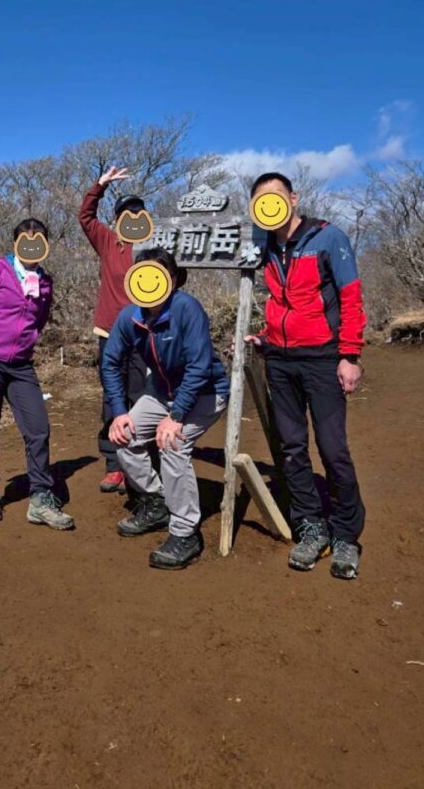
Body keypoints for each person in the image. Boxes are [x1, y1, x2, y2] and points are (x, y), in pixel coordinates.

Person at [246, 172, 366, 579]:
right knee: (292, 448)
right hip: (280, 361)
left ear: (293, 198)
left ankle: (347, 534)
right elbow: (281, 303)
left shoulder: (329, 238)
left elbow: (351, 298)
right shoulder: (261, 244)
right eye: (261, 199)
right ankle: (310, 526)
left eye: (276, 196)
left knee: (333, 449)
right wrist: (264, 337)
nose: (270, 205)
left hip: (323, 358)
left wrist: (349, 355)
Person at [103, 248, 230, 569]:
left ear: (172, 280)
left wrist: (176, 417)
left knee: (173, 445)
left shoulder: (187, 309)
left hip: (204, 393)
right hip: (160, 392)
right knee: (124, 437)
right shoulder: (129, 315)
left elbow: (200, 367)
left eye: (157, 275)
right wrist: (119, 412)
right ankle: (157, 501)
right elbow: (110, 361)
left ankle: (186, 531)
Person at [0, 219, 75, 531]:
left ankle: (39, 498)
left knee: (38, 428)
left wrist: (26, 343)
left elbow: (41, 319)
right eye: (26, 239)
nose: (32, 246)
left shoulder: (45, 281)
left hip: (21, 365)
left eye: (39, 240)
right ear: (16, 242)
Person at [79, 166, 149, 494]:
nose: (133, 216)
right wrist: (100, 185)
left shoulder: (151, 246)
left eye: (139, 211)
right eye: (127, 212)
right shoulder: (108, 241)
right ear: (118, 217)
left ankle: (137, 461)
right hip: (110, 332)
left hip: (143, 334)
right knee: (112, 396)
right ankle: (113, 465)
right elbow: (85, 217)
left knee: (140, 396)